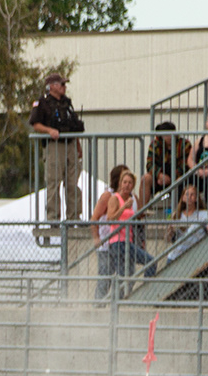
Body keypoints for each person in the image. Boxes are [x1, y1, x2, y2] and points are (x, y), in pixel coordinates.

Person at [30, 72, 85, 221]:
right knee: (54, 183)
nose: (64, 87)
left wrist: (78, 145)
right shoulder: (43, 103)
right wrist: (49, 131)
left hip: (71, 144)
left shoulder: (67, 103)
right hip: (54, 147)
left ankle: (74, 217)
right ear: (52, 86)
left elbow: (73, 125)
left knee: (73, 183)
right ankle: (53, 218)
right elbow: (35, 124)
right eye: (62, 84)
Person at [93, 165, 151, 299]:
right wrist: (96, 238)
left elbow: (137, 220)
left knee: (128, 273)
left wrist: (141, 240)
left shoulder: (133, 199)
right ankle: (98, 305)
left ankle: (119, 301)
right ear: (118, 181)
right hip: (107, 243)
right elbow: (97, 218)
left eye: (130, 182)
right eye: (124, 181)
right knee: (106, 277)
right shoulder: (110, 196)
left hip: (126, 241)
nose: (127, 185)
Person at [141, 120, 191, 211]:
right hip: (160, 175)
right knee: (145, 178)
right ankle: (141, 212)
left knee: (182, 181)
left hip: (178, 176)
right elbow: (149, 164)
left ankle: (179, 213)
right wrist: (159, 175)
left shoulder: (184, 144)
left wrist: (172, 177)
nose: (168, 137)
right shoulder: (155, 145)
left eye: (170, 134)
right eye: (165, 135)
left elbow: (186, 164)